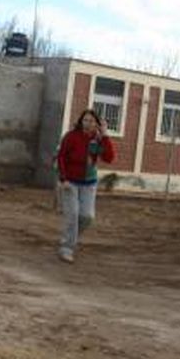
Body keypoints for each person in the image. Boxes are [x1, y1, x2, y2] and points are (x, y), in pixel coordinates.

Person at [55, 109, 115, 263]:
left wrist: (105, 135)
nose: (88, 123)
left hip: (89, 184)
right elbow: (61, 157)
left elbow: (109, 158)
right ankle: (67, 249)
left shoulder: (98, 139)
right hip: (70, 182)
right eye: (85, 120)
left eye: (91, 121)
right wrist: (63, 179)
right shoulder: (71, 137)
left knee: (87, 217)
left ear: (97, 124)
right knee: (73, 215)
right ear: (81, 121)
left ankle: (69, 239)